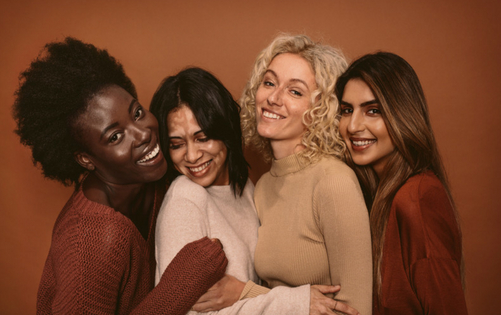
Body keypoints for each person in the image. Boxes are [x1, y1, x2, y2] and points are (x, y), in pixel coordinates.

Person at [12, 37, 228, 315]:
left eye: (137, 113)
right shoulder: (92, 240)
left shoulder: (156, 178)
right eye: (115, 136)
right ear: (86, 159)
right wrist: (178, 287)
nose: (143, 133)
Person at [150, 67, 359, 315]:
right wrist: (295, 303)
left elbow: (248, 291)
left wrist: (272, 297)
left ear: (224, 130)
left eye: (203, 138)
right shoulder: (185, 197)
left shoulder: (248, 190)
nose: (192, 156)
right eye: (177, 144)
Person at [240, 34, 373, 315]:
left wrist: (243, 294)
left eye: (295, 91)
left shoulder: (333, 181)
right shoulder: (263, 186)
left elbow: (355, 310)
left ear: (321, 109)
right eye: (269, 82)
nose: (273, 98)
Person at [335, 52, 467, 315]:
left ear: (402, 115)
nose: (353, 125)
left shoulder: (417, 197)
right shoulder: (378, 194)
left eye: (373, 111)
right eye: (347, 110)